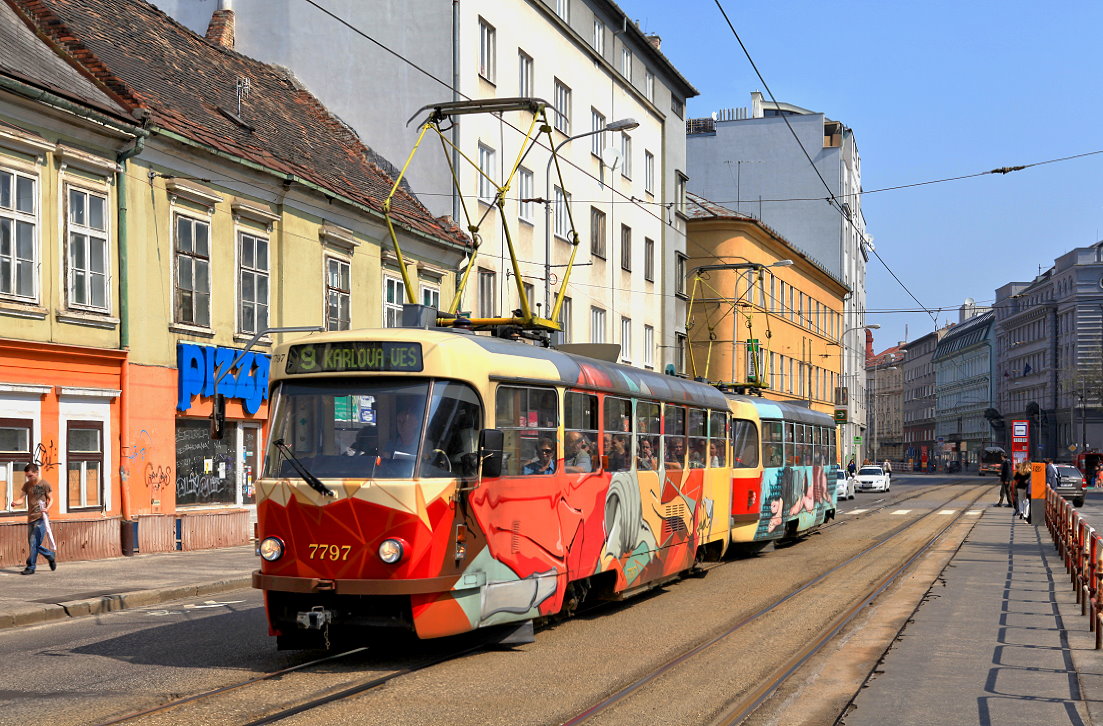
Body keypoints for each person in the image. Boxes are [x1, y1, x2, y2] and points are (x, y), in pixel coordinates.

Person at [11, 463, 57, 575]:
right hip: (30, 518)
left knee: (33, 543)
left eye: (31, 476)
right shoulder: (27, 485)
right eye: (27, 476)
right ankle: (50, 555)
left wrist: (47, 508)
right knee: (33, 544)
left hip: (41, 518)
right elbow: (21, 499)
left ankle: (31, 567)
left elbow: (51, 499)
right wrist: (16, 503)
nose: (29, 478)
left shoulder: (44, 484)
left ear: (36, 472)